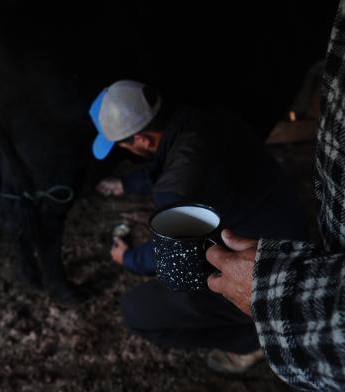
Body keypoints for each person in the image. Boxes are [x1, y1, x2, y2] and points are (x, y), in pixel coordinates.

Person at [89, 79, 307, 372]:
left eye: (124, 146)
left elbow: (170, 260)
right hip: (290, 226)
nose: (126, 151)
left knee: (135, 310)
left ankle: (256, 339)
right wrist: (124, 184)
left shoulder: (176, 188)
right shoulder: (207, 120)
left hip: (267, 268)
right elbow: (174, 164)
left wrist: (128, 258)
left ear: (143, 141)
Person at [205, 0, 345, 389]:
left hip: (299, 273)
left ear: (139, 139)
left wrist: (280, 298)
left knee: (148, 311)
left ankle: (249, 344)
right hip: (320, 251)